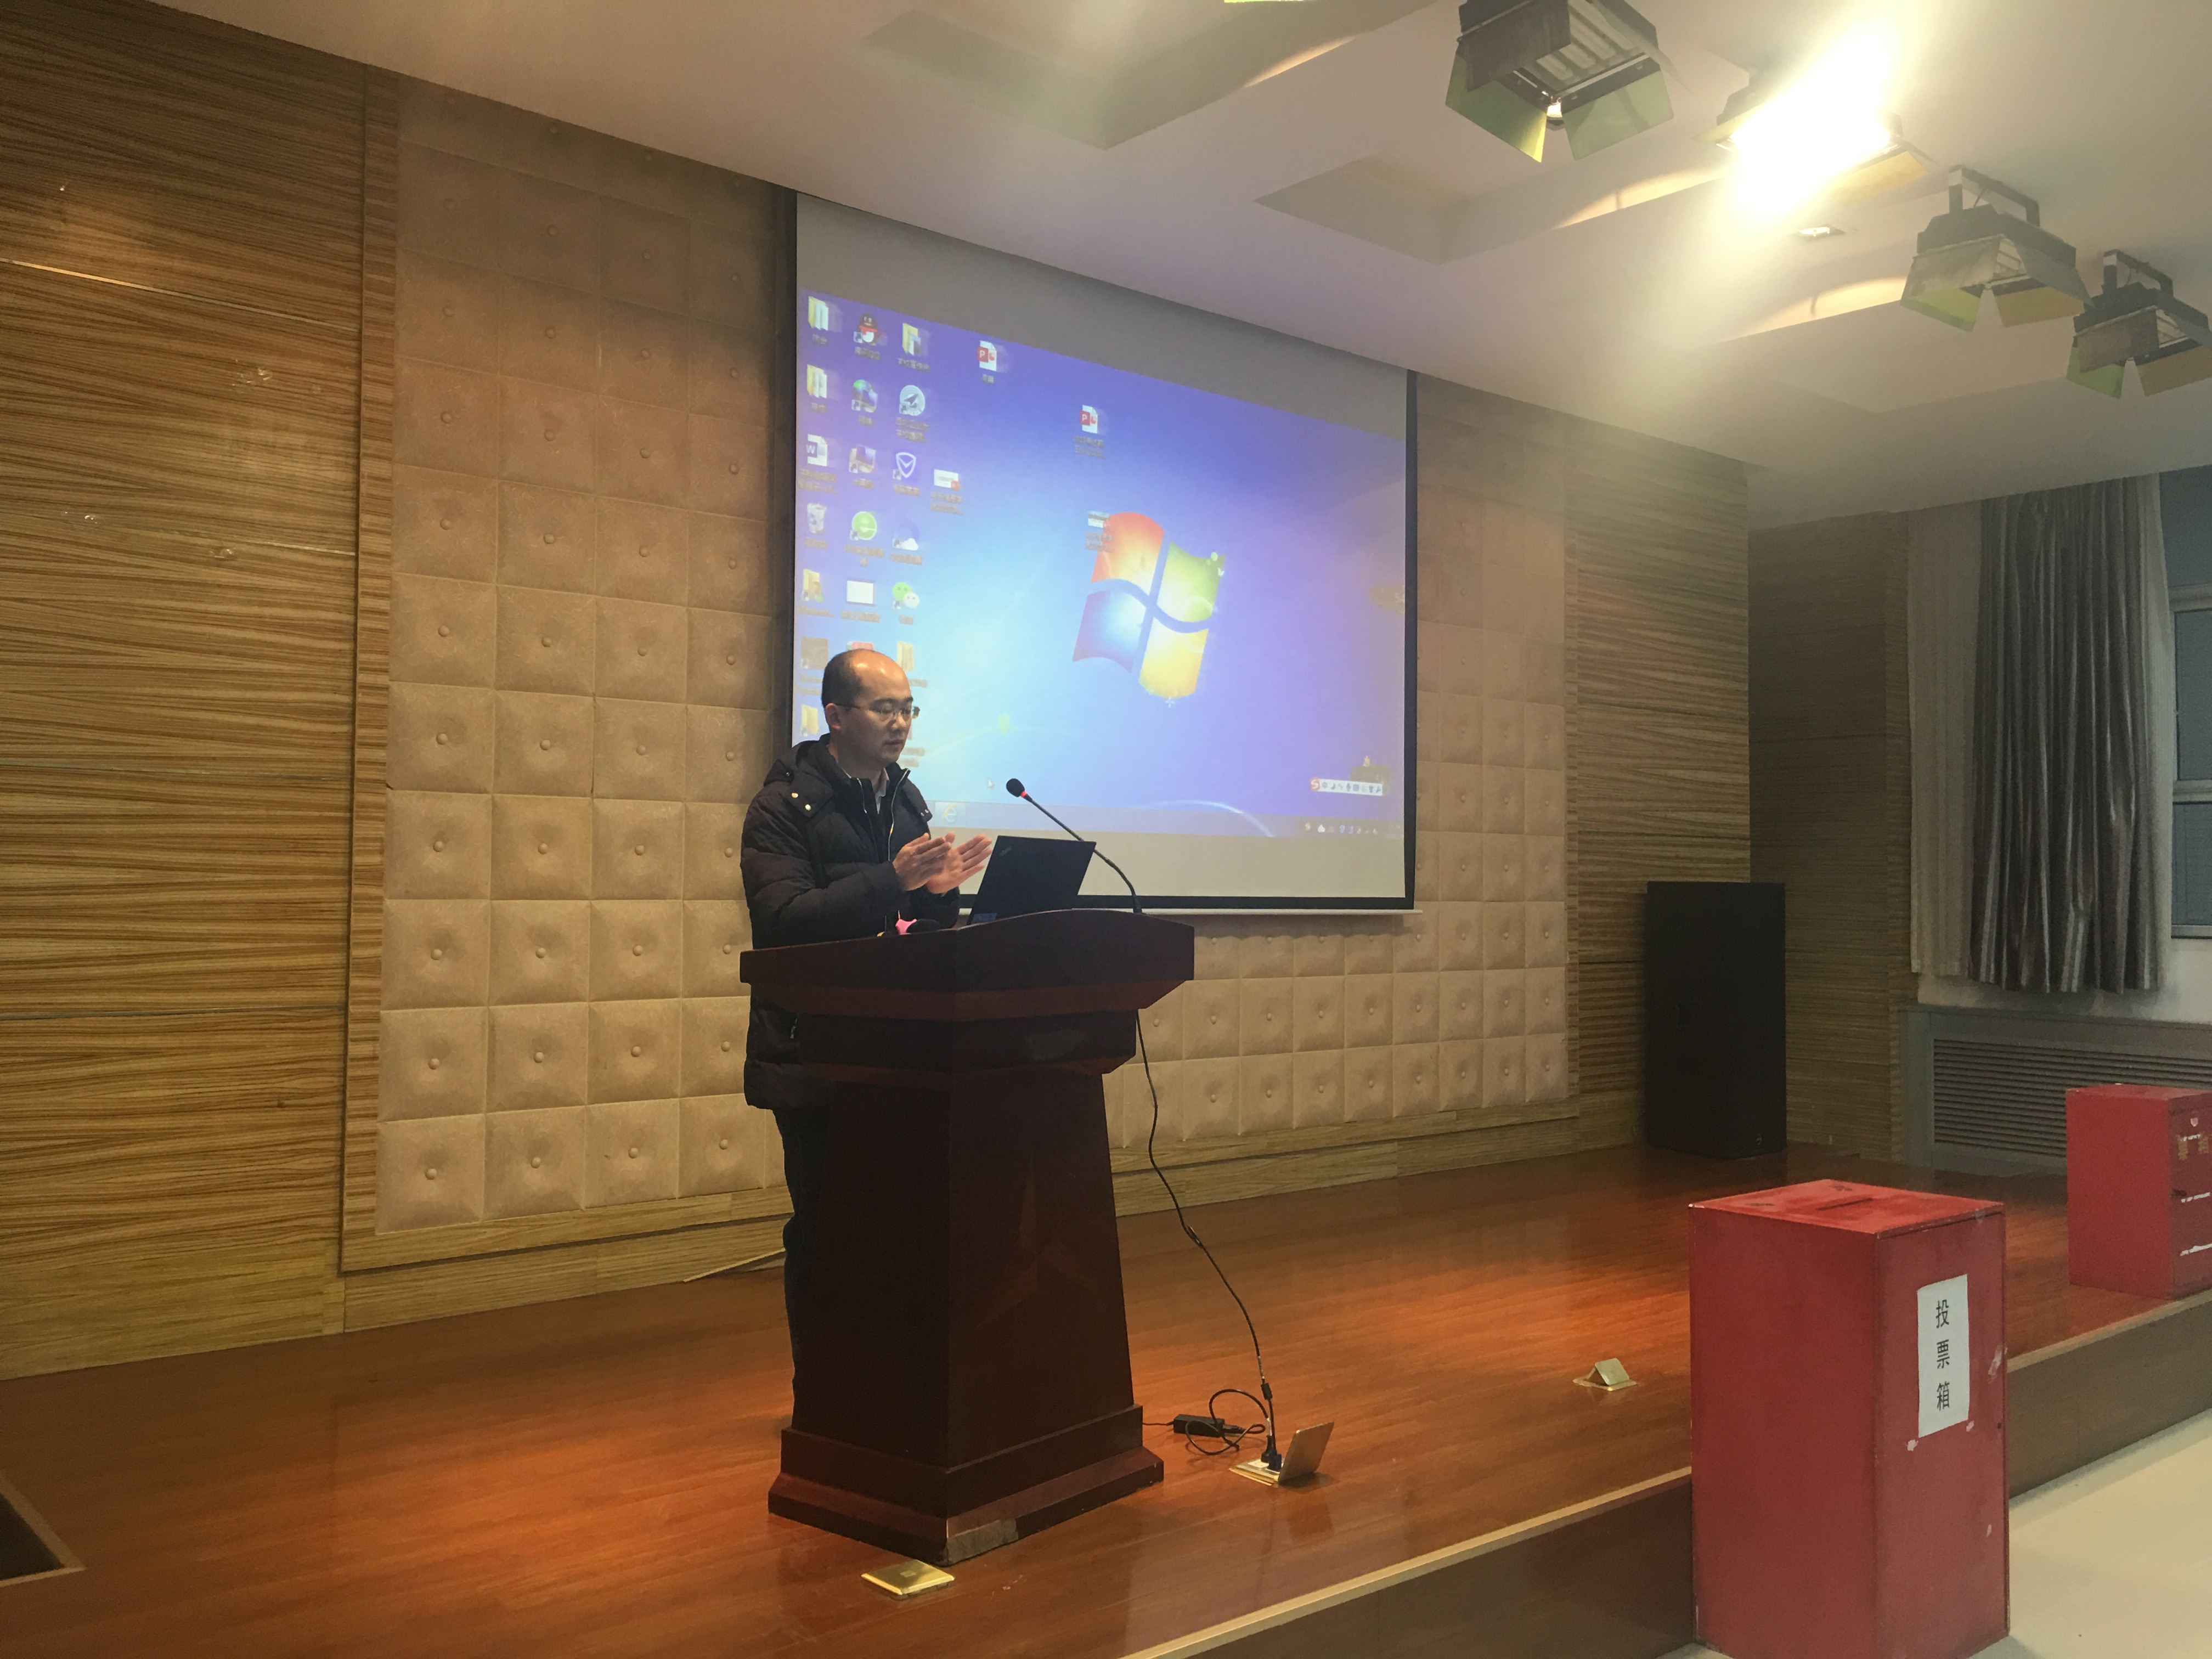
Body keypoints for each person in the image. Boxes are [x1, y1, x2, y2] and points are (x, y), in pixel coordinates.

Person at [740, 647, 990, 1368]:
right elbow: (785, 919)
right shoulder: (783, 807)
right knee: (828, 1227)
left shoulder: (907, 801)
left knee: (899, 1226)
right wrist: (892, 879)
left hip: (901, 1050)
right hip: (814, 1051)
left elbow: (914, 932)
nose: (901, 723)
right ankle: (824, 1395)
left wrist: (939, 898)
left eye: (908, 709)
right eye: (885, 709)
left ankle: (889, 1388)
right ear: (836, 715)